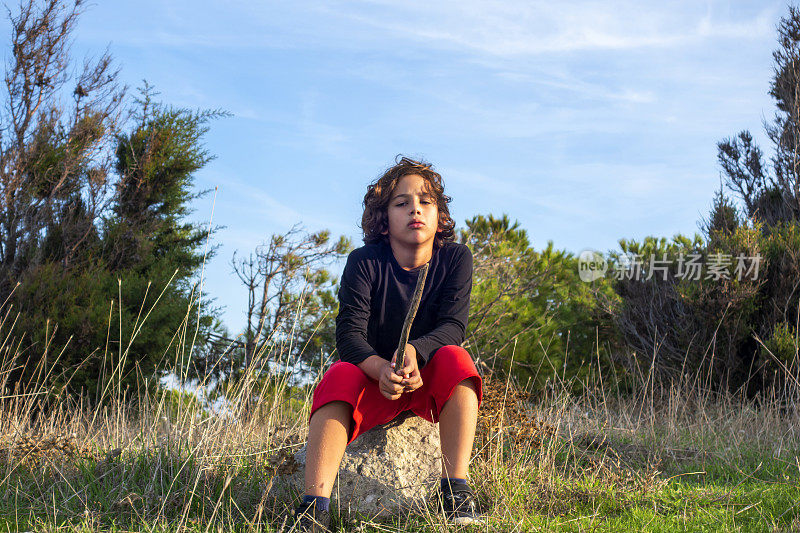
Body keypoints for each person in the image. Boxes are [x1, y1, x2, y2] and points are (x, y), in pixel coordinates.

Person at [290, 156, 484, 531]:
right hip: (376, 385)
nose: (416, 209)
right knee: (340, 374)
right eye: (402, 203)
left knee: (457, 358)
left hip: (428, 384)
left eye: (426, 201)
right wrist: (381, 369)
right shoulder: (364, 262)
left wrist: (414, 351)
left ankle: (455, 491)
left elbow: (453, 326)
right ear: (384, 219)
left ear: (440, 215)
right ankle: (313, 510)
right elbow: (349, 337)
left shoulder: (456, 258)